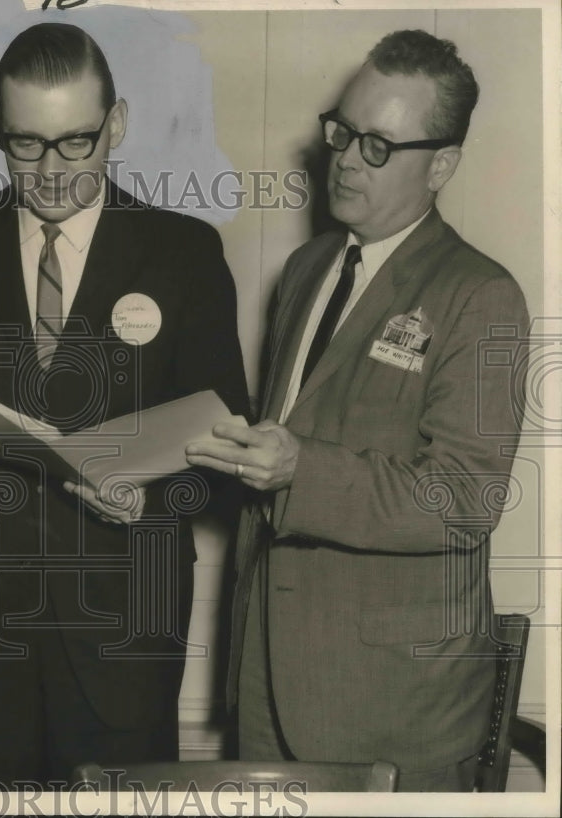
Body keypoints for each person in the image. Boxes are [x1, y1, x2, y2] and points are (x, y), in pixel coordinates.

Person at [0, 22, 249, 785]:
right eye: (25, 144)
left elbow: (224, 448)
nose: (50, 172)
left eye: (76, 142)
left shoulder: (183, 253)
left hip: (123, 631)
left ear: (117, 124)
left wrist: (145, 498)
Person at [186, 30, 529, 791]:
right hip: (268, 680)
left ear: (441, 165)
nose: (344, 158)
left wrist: (301, 471)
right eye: (342, 131)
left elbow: (465, 499)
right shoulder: (308, 269)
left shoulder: (482, 296)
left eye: (378, 146)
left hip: (393, 711)